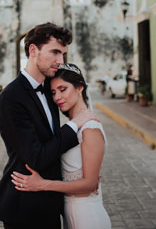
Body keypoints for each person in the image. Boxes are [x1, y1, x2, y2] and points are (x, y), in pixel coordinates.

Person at [0, 23, 98, 229]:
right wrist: (75, 124)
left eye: (64, 54)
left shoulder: (49, 91)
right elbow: (37, 157)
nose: (61, 61)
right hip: (25, 206)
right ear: (33, 51)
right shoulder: (11, 98)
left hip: (51, 202)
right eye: (55, 52)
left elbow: (52, 142)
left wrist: (81, 176)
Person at [11, 63, 110, 229]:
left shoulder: (90, 128)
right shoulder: (70, 128)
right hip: (70, 214)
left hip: (87, 216)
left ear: (80, 88)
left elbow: (90, 184)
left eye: (63, 89)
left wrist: (42, 184)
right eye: (53, 92)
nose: (57, 97)